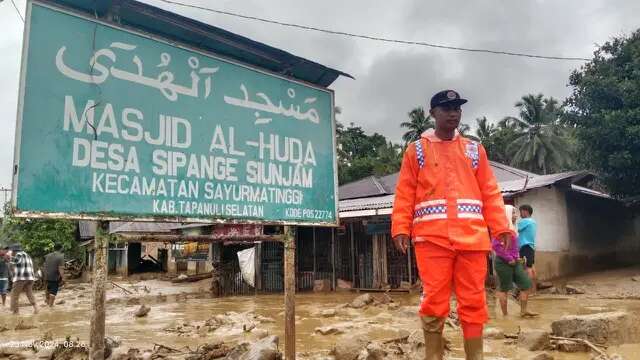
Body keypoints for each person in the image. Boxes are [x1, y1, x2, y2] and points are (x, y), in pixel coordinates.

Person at [392, 89, 515, 360]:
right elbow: (405, 192)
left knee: (474, 299)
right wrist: (400, 226)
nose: (453, 112)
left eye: (457, 108)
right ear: (433, 113)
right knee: (434, 299)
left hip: (472, 240)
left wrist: (502, 227)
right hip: (431, 239)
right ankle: (433, 356)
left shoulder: (474, 150)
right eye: (446, 108)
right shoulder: (417, 151)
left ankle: (475, 356)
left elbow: (490, 191)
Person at [492, 205, 538, 318]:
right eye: (513, 213)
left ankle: (523, 311)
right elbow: (496, 246)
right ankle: (505, 315)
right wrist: (509, 258)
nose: (515, 216)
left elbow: (514, 246)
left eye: (515, 213)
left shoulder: (514, 228)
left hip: (515, 261)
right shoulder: (500, 229)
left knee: (526, 284)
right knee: (504, 288)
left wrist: (516, 257)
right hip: (503, 262)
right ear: (507, 214)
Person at [9, 244, 38, 314]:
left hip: (21, 278)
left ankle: (15, 312)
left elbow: (12, 263)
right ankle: (36, 308)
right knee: (29, 293)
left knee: (14, 294)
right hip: (30, 278)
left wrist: (9, 256)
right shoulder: (27, 255)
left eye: (12, 251)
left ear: (14, 250)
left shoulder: (18, 254)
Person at [518, 204, 537, 294]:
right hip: (531, 247)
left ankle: (528, 290)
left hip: (524, 247)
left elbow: (514, 229)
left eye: (520, 211)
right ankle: (534, 290)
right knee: (532, 267)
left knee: (527, 269)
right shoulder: (533, 221)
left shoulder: (525, 221)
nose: (519, 214)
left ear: (525, 211)